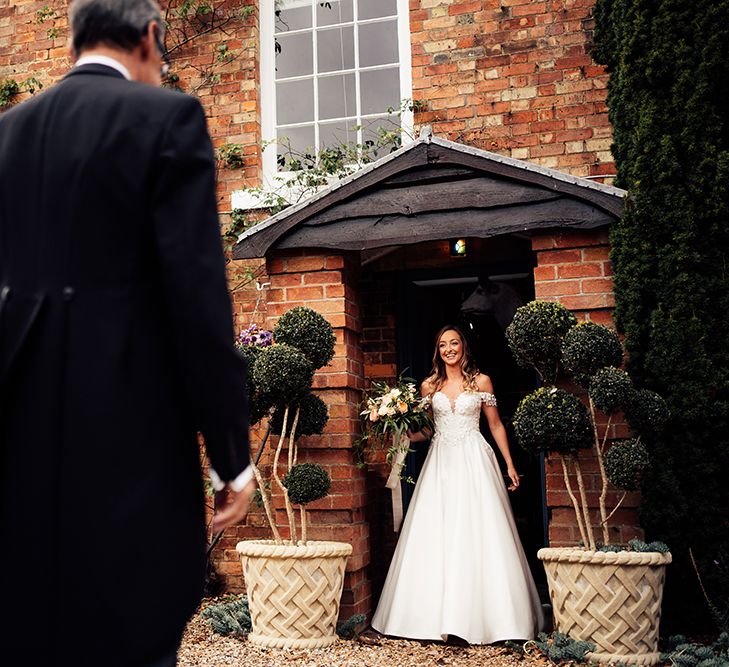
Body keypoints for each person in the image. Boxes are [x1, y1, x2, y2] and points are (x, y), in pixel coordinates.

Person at [0, 1, 254, 665]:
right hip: (128, 451)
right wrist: (232, 454)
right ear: (150, 38)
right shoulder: (165, 117)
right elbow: (197, 299)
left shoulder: (6, 135)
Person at [371, 325, 544, 644]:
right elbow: (425, 432)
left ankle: (494, 621)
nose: (449, 348)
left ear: (463, 347)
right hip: (441, 461)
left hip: (474, 459)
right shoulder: (428, 386)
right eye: (442, 345)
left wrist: (509, 464)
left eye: (454, 343)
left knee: (480, 529)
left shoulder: (481, 381)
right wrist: (396, 423)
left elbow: (495, 424)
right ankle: (427, 618)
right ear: (437, 351)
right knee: (437, 529)